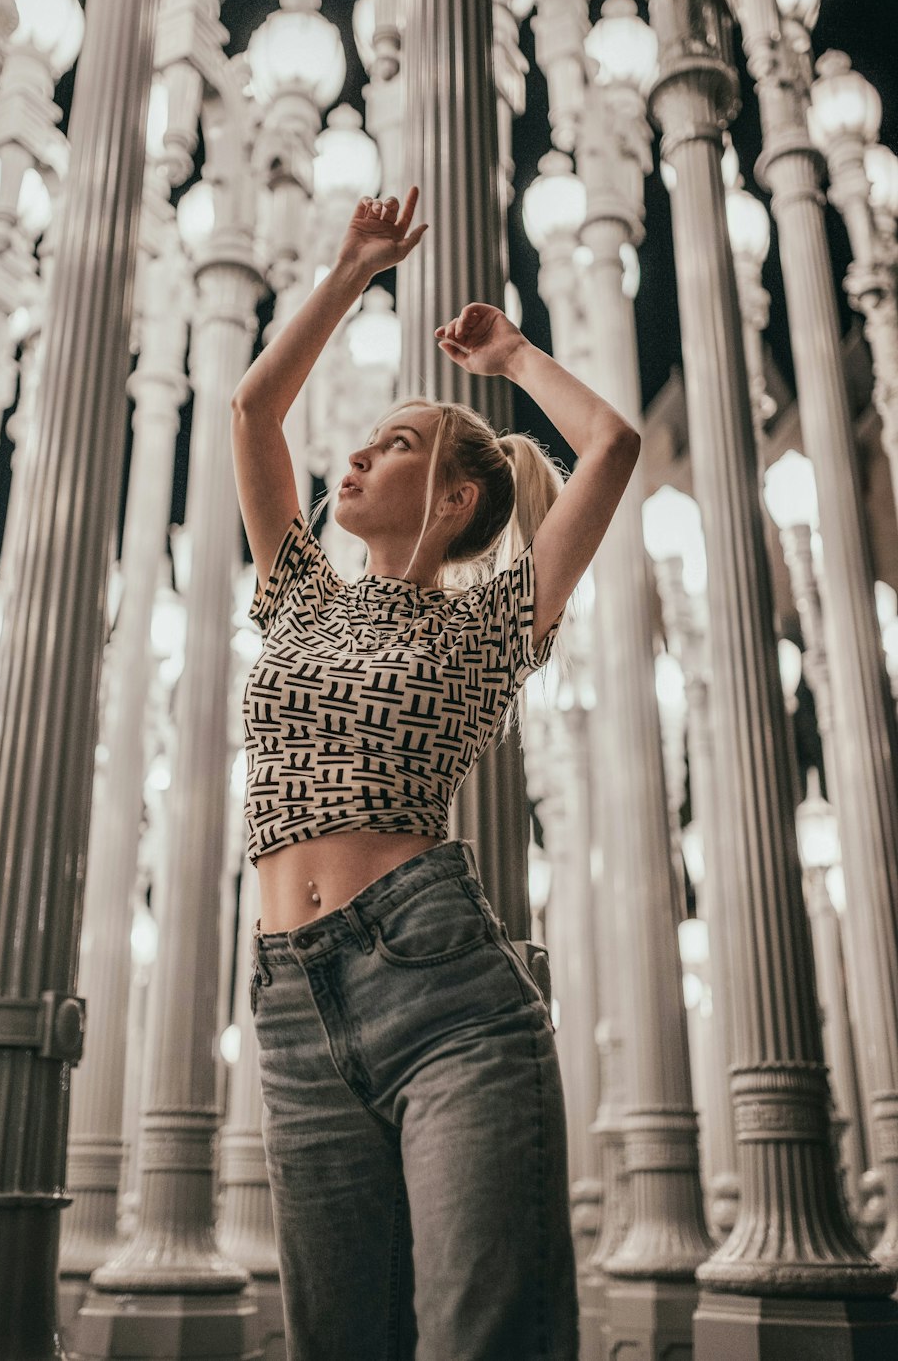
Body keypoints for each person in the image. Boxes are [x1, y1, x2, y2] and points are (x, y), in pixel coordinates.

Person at [231, 187, 640, 1361]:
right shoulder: (301, 595)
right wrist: (353, 269)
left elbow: (611, 444)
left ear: (458, 498)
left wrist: (510, 355)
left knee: (482, 1338)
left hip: (444, 993)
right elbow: (257, 410)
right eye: (365, 439)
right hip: (290, 1000)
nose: (354, 453)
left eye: (395, 444)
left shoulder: (492, 623)